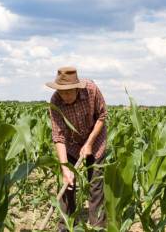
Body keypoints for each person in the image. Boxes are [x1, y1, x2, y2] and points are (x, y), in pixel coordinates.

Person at [45, 66, 107, 231]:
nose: (63, 96)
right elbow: (58, 136)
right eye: (60, 91)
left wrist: (89, 143)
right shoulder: (55, 102)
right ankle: (66, 224)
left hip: (95, 139)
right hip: (71, 144)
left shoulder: (91, 90)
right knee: (68, 185)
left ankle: (98, 226)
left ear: (76, 88)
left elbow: (102, 116)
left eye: (67, 92)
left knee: (95, 184)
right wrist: (65, 168)